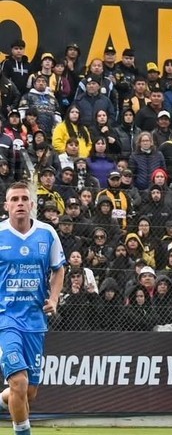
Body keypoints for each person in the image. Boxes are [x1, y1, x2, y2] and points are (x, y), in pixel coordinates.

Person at [0, 182, 66, 435]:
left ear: (31, 205)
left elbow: (59, 269)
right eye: (14, 199)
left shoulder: (47, 233)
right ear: (6, 205)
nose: (19, 203)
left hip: (35, 320)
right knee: (18, 381)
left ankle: (3, 399)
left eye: (23, 199)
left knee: (28, 392)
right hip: (6, 319)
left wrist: (55, 298)